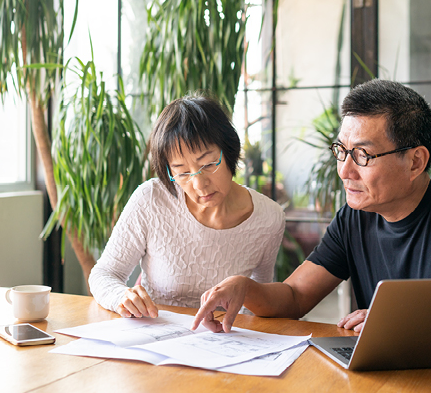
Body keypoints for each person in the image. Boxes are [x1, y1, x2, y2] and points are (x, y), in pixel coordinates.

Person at [192, 79, 431, 352]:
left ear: (416, 161)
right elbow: (294, 297)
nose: (345, 171)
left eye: (363, 155)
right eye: (341, 151)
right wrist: (246, 287)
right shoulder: (354, 219)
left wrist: (415, 328)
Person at [88, 94, 285, 318]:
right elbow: (104, 273)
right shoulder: (151, 199)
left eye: (209, 164)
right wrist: (121, 296)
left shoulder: (269, 217)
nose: (199, 184)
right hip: (156, 337)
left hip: (225, 342)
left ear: (229, 150)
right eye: (182, 173)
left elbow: (259, 303)